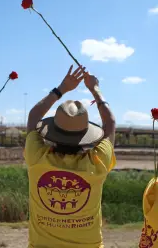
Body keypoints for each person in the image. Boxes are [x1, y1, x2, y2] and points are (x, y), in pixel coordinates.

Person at [24, 65, 116, 248]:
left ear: (52, 132)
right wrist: (95, 89)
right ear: (86, 134)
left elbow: (33, 116)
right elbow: (110, 123)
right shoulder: (97, 162)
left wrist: (62, 89)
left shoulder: (36, 157)